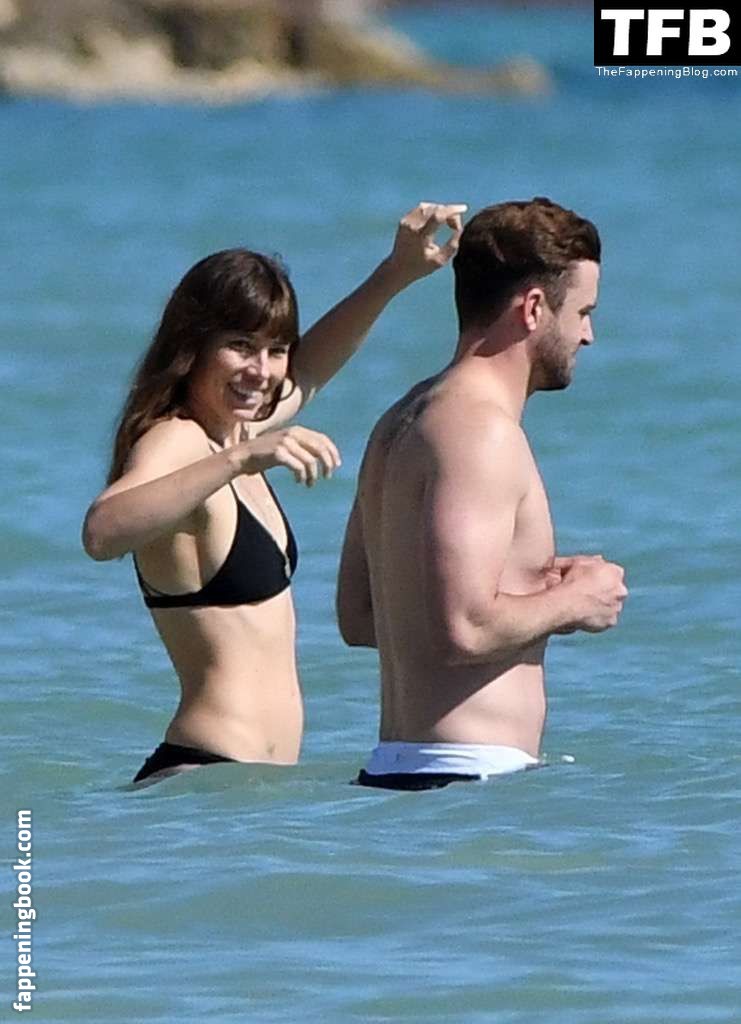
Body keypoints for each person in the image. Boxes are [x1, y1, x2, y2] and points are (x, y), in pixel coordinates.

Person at [82, 201, 467, 785]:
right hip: (202, 776)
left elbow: (310, 372)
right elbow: (102, 532)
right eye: (241, 346)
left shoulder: (233, 429)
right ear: (194, 345)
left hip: (245, 789)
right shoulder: (179, 438)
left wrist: (395, 274)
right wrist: (242, 459)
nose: (262, 371)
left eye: (275, 350)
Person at [337, 197, 628, 791]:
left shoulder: (401, 419)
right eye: (582, 312)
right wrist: (579, 599)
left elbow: (362, 616)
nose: (588, 335)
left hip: (406, 772)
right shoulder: (481, 432)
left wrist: (534, 591)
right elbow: (464, 628)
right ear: (534, 308)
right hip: (464, 781)